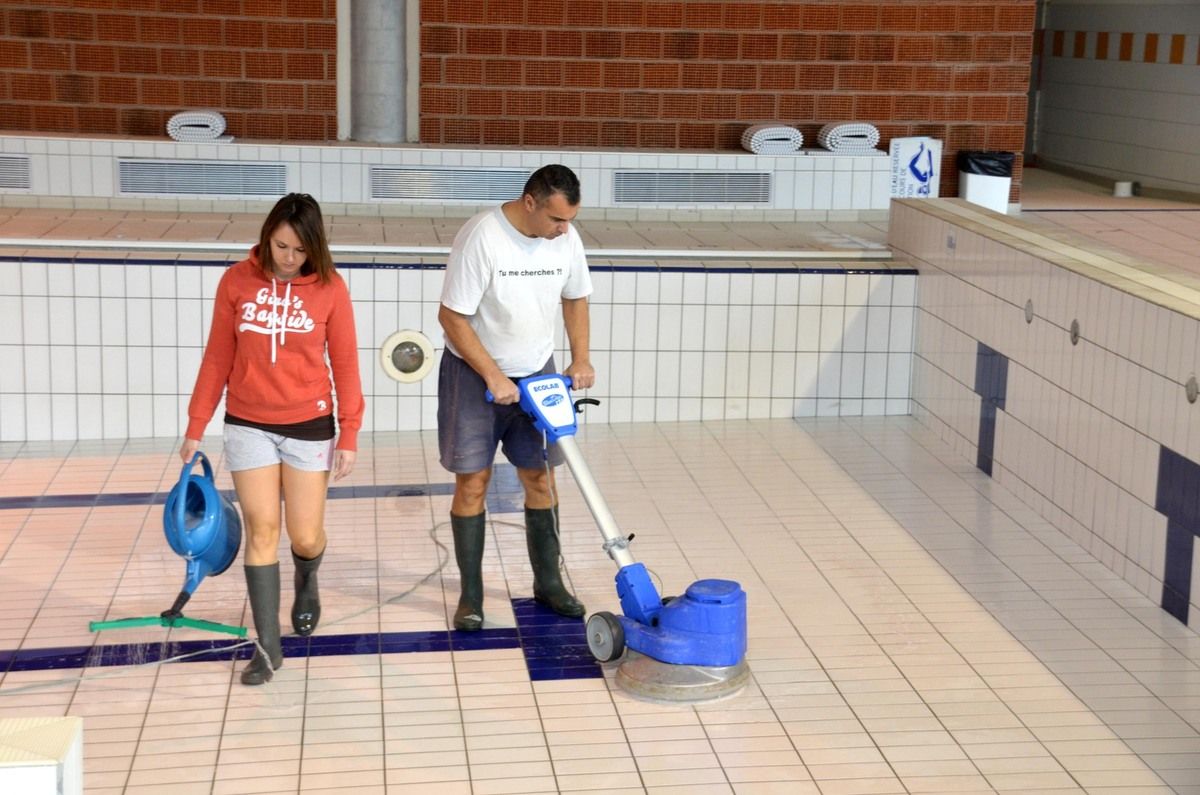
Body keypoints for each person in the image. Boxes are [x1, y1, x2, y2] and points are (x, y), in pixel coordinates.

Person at [180, 193, 363, 685]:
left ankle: (308, 578)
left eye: (299, 251)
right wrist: (196, 425)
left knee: (303, 535)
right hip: (248, 423)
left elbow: (344, 362)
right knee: (262, 532)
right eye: (281, 246)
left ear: (314, 249)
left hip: (309, 425)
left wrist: (349, 432)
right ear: (267, 238)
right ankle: (267, 647)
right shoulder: (237, 281)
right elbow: (217, 356)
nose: (288, 258)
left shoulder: (330, 289)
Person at [438, 164, 595, 631]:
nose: (563, 230)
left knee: (541, 478)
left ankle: (549, 582)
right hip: (473, 374)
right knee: (474, 482)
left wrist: (580, 358)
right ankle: (471, 595)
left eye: (569, 220)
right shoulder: (483, 237)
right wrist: (492, 375)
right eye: (556, 220)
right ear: (530, 203)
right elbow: (452, 317)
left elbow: (576, 296)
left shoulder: (566, 238)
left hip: (538, 372)